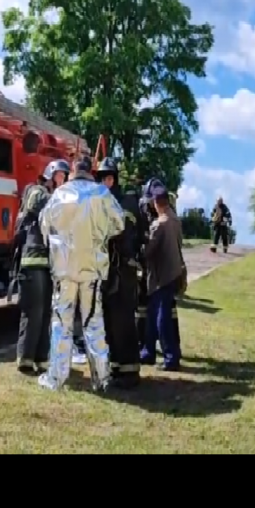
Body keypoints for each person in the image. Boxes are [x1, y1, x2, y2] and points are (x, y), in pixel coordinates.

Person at [38, 155, 125, 392]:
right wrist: (100, 235)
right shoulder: (102, 195)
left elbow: (44, 223)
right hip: (92, 269)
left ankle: (56, 378)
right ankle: (102, 378)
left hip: (64, 270)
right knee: (93, 323)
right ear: (91, 170)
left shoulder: (59, 194)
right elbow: (119, 223)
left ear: (73, 170)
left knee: (61, 323)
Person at [14, 158, 70, 375]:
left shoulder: (57, 197)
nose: (63, 179)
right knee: (34, 310)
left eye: (65, 177)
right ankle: (25, 359)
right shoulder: (36, 191)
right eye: (60, 176)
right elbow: (42, 206)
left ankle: (41, 359)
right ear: (50, 174)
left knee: (46, 311)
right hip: (32, 261)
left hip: (48, 265)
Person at [95, 156, 143, 389]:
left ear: (112, 179)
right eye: (101, 179)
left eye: (105, 178)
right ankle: (117, 368)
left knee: (122, 320)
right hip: (114, 269)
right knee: (111, 320)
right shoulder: (114, 202)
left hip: (122, 269)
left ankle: (129, 372)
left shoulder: (122, 203)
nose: (103, 183)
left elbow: (119, 234)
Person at [141, 187, 185, 371]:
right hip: (174, 273)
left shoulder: (159, 224)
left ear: (155, 202)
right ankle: (148, 352)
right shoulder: (175, 220)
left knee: (162, 319)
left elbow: (148, 252)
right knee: (153, 315)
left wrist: (141, 243)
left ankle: (170, 358)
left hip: (162, 277)